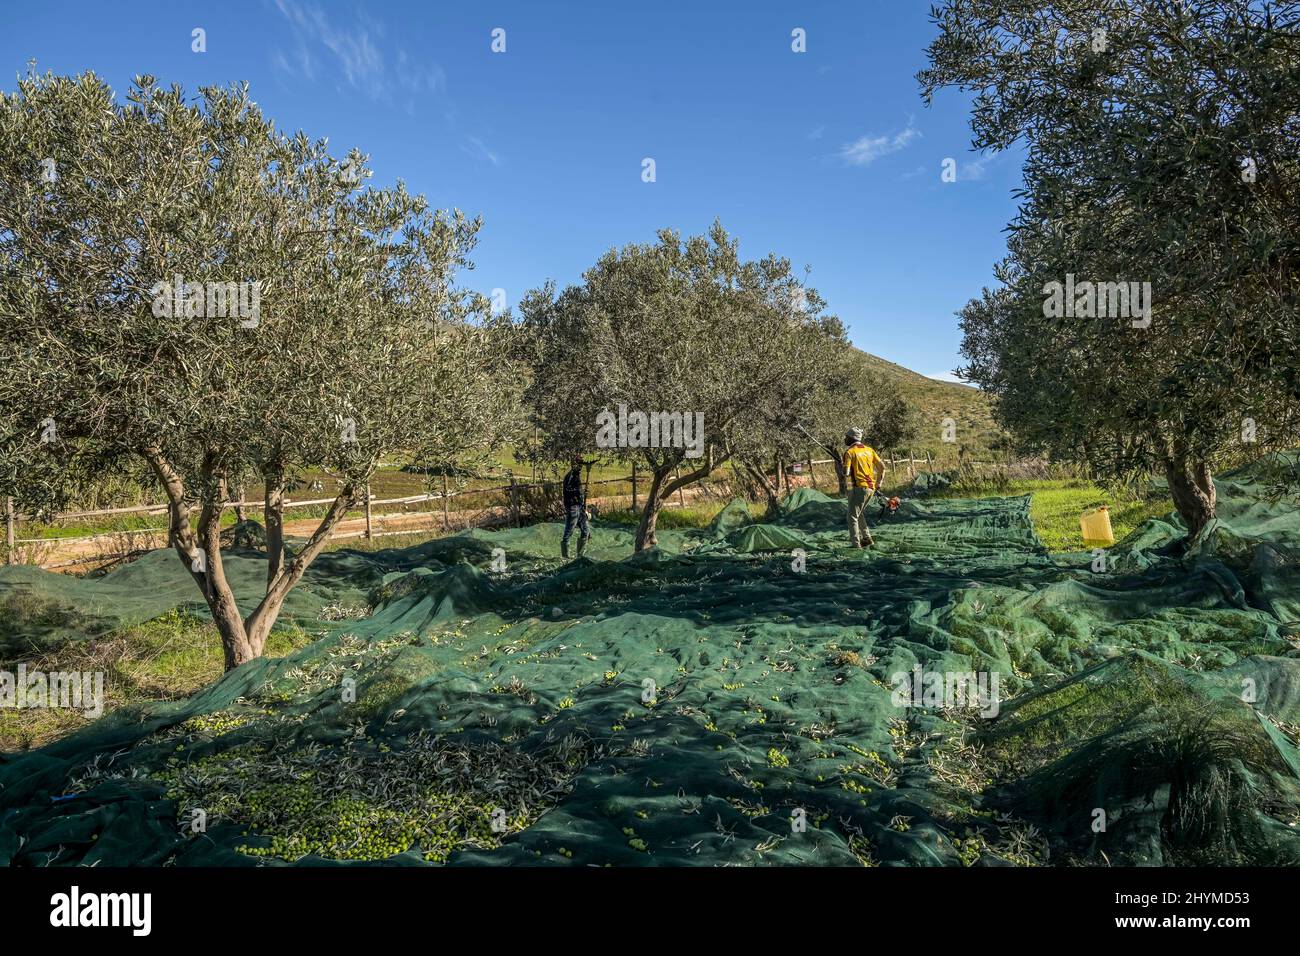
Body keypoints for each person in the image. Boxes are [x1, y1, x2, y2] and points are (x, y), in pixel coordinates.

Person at [842, 428, 884, 548]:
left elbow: (846, 472)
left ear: (852, 438)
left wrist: (843, 466)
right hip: (871, 488)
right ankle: (867, 538)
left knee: (852, 517)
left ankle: (856, 545)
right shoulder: (869, 450)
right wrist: (879, 483)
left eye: (846, 437)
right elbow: (882, 467)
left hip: (859, 488)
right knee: (858, 514)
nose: (845, 439)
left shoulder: (849, 452)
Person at [561, 455, 591, 559]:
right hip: (572, 507)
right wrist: (579, 491)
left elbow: (579, 492)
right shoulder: (570, 476)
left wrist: (583, 500)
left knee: (586, 531)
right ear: (574, 465)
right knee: (568, 532)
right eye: (579, 464)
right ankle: (565, 558)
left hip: (579, 506)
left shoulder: (577, 475)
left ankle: (580, 556)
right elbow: (566, 491)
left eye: (581, 464)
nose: (580, 467)